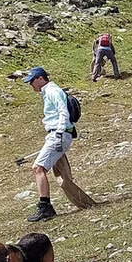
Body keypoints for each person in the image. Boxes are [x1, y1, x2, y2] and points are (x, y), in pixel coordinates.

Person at [22, 66, 81, 222]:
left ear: (41, 78)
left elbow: (63, 110)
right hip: (57, 134)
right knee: (59, 172)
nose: (30, 85)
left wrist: (60, 132)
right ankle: (80, 200)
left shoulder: (52, 91)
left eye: (32, 81)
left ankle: (45, 207)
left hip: (58, 134)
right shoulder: (49, 91)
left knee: (38, 168)